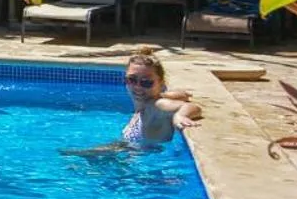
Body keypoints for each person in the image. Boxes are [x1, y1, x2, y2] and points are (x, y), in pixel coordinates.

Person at [66, 52, 202, 155]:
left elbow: (192, 107)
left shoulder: (156, 105)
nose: (138, 87)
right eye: (132, 80)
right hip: (132, 156)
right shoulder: (147, 102)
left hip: (146, 173)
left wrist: (180, 116)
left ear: (161, 83)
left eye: (146, 82)